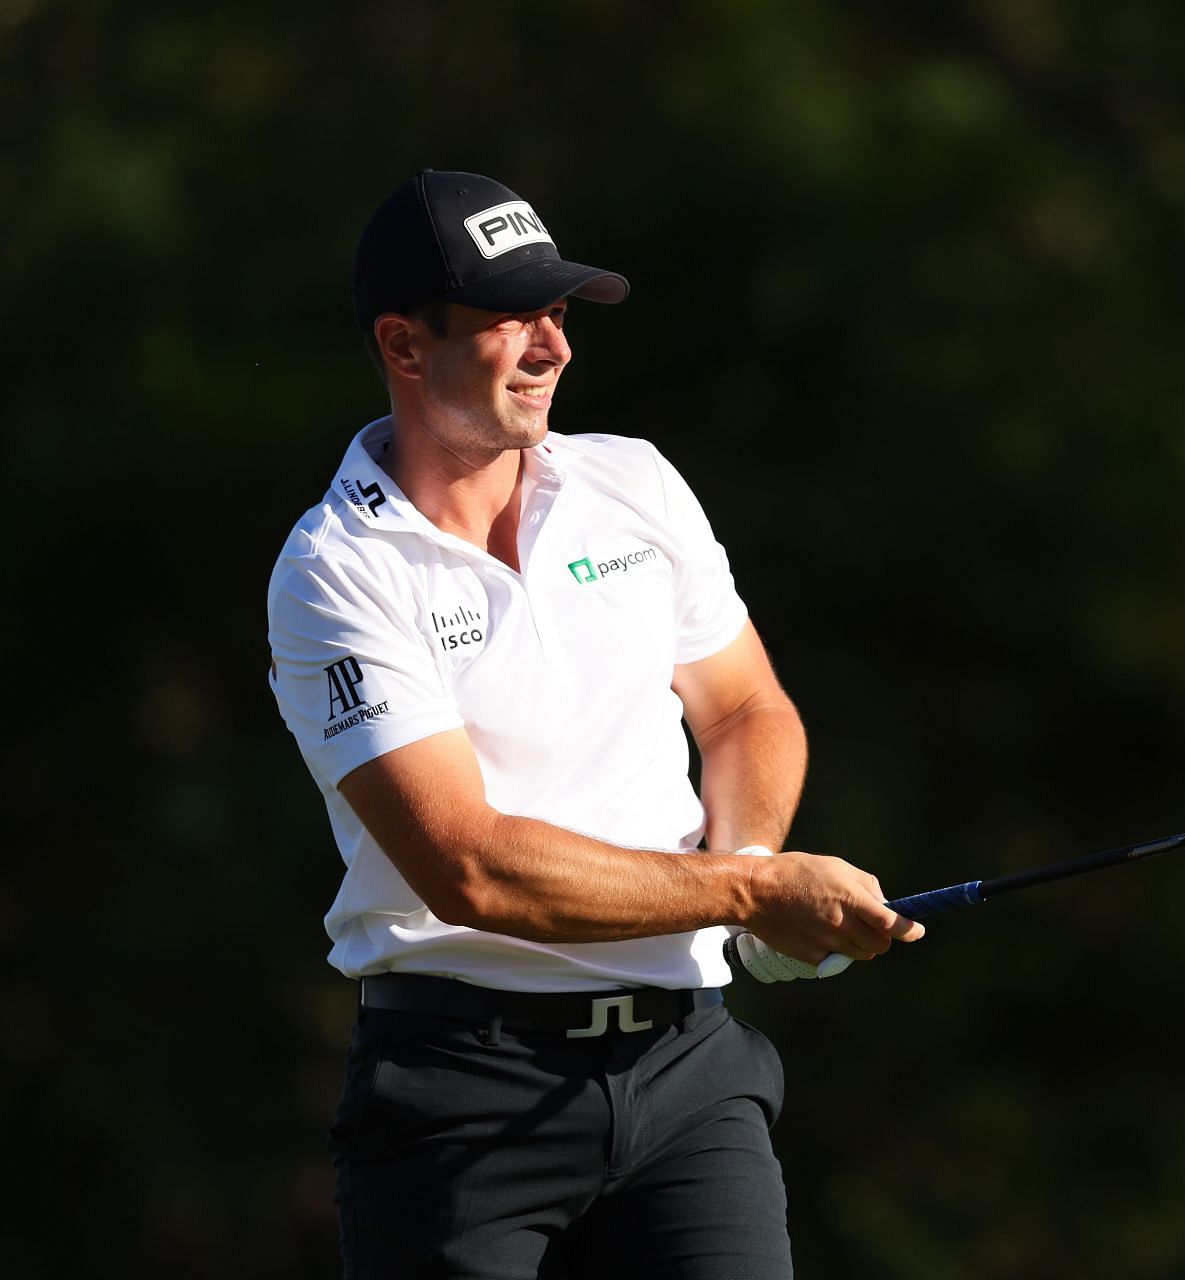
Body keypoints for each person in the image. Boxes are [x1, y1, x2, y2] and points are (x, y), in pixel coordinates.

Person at [266, 169, 923, 1279]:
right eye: (512, 318)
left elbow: (747, 705)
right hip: (461, 1095)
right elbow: (471, 868)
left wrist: (750, 850)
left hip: (687, 1073)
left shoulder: (636, 484)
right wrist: (753, 892)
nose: (552, 346)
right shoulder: (335, 571)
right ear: (404, 343)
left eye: (558, 313)